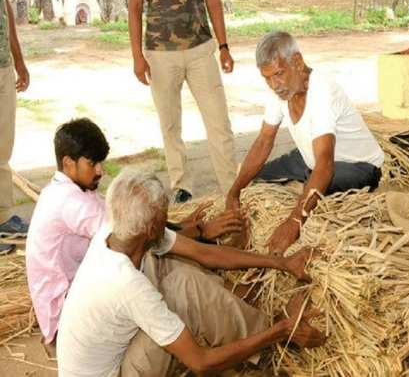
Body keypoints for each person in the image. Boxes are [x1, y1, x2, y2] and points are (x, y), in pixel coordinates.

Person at [57, 169, 325, 377]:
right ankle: (273, 338)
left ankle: (250, 321)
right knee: (181, 299)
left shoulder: (116, 230)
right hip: (114, 373)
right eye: (165, 216)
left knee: (174, 271)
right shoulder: (126, 284)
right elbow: (200, 363)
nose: (171, 220)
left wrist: (281, 262)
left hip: (109, 355)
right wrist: (279, 331)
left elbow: (206, 254)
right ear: (152, 228)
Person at [26, 118, 244, 347]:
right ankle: (235, 301)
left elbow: (135, 222)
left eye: (101, 162)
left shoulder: (71, 190)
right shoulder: (71, 202)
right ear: (68, 163)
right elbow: (134, 230)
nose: (100, 170)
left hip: (78, 298)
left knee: (166, 263)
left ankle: (231, 296)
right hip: (68, 322)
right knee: (169, 270)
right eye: (92, 163)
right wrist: (201, 231)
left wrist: (184, 228)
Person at [126, 0, 236, 204]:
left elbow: (213, 0)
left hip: (201, 49)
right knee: (170, 126)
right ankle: (181, 185)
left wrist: (224, 46)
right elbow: (134, 7)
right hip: (160, 53)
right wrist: (137, 56)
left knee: (219, 123)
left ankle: (231, 187)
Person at [226, 31, 384, 255]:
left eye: (279, 74)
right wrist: (234, 191)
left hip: (359, 167)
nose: (274, 84)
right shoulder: (279, 91)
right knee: (257, 178)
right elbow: (263, 141)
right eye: (267, 78)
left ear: (297, 61)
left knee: (313, 183)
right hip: (309, 158)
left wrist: (293, 223)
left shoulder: (321, 90)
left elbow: (325, 165)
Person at [0, 0, 30, 211]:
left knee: (3, 144)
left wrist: (18, 58)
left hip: (3, 63)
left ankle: (3, 217)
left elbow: (3, 1)